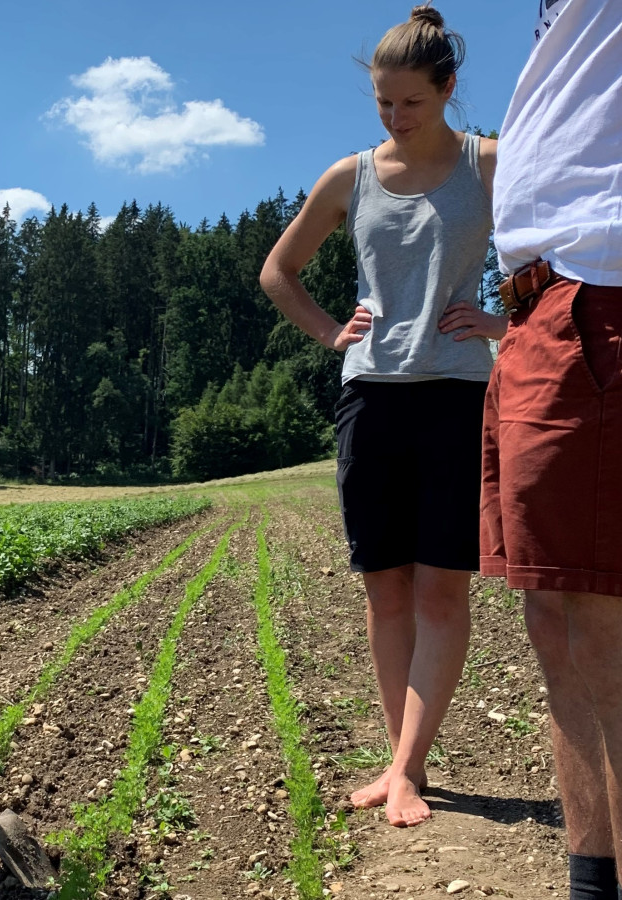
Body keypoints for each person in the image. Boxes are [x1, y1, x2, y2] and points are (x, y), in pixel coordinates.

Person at [260, 6, 505, 828]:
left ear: (448, 88)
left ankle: (406, 768)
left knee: (442, 591)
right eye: (383, 105)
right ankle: (404, 763)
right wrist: (333, 332)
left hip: (460, 394)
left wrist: (505, 324)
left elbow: (561, 263)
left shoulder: (491, 165)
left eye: (412, 103)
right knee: (384, 593)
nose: (397, 118)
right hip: (371, 397)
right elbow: (278, 271)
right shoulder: (350, 177)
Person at [481, 1, 622, 896]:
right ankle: (589, 877)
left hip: (601, 294)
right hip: (543, 311)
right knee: (558, 618)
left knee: (604, 632)